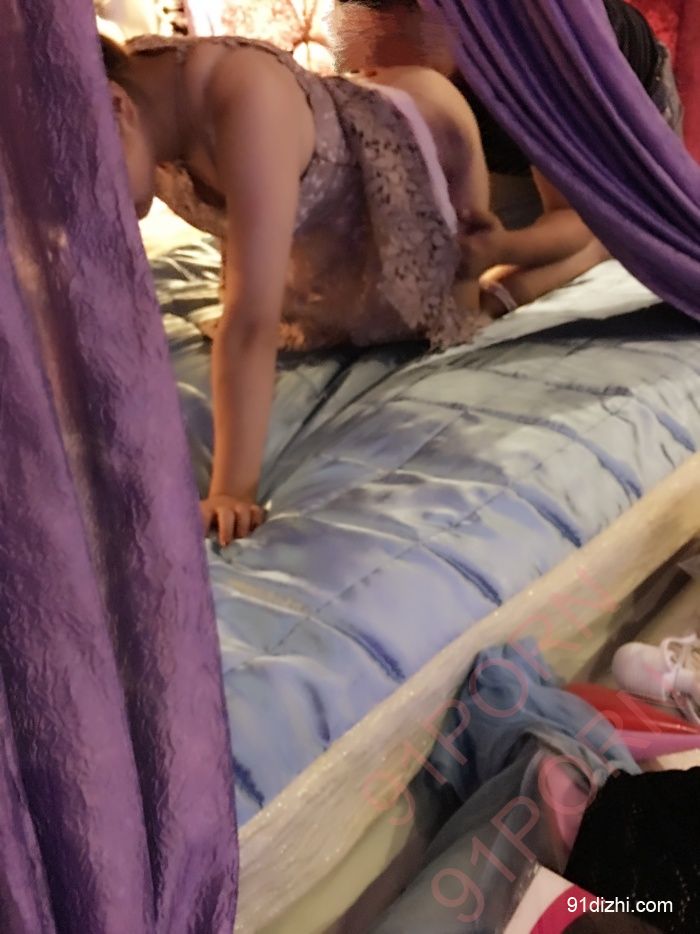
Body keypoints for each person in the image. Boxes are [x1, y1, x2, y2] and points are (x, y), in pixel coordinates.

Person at [99, 34, 491, 543]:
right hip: (335, 235)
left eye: (83, 185)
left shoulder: (244, 93)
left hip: (423, 130)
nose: (85, 209)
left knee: (467, 303)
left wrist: (232, 491)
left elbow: (250, 322)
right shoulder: (142, 96)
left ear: (117, 107)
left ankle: (576, 247)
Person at [333, 0, 685, 315]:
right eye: (363, 69)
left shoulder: (543, 56)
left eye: (388, 62)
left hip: (611, 107)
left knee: (608, 234)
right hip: (495, 124)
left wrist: (501, 252)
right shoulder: (384, 54)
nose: (375, 78)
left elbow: (574, 217)